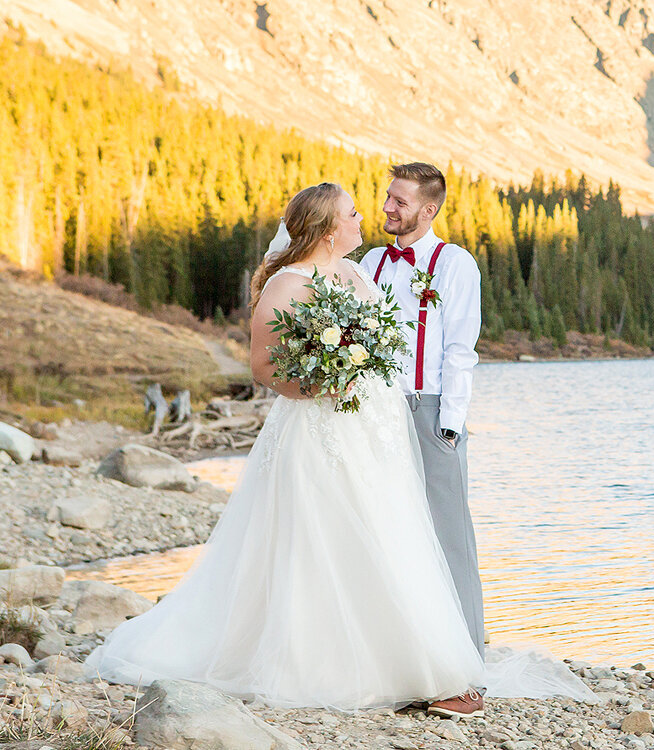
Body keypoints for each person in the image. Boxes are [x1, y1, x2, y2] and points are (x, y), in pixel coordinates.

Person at [84, 182, 594, 715]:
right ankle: (328, 663)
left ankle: (411, 659)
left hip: (377, 427)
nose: (363, 219)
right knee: (322, 536)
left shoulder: (356, 271)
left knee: (390, 532)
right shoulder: (287, 283)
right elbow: (263, 367)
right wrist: (322, 383)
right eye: (352, 214)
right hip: (318, 427)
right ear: (330, 230)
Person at [360, 163, 484, 716]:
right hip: (377, 414)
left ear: (427, 210)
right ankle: (409, 666)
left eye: (399, 201)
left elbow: (461, 350)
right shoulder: (370, 263)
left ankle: (466, 677)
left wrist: (450, 426)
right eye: (388, 197)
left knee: (449, 539)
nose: (388, 207)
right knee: (391, 536)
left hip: (431, 412)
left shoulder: (455, 264)